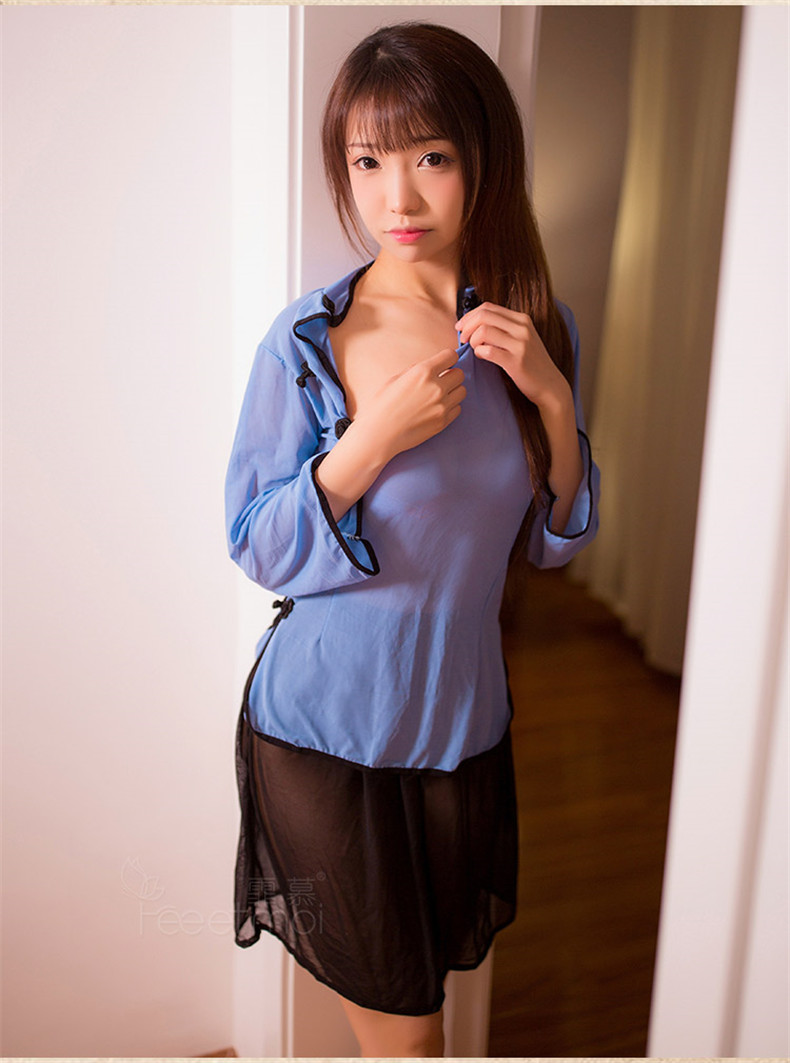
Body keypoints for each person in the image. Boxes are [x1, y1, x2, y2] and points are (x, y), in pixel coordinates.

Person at [225, 21, 600, 1058]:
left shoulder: (538, 331)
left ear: (484, 159)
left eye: (430, 157)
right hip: (322, 732)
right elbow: (256, 543)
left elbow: (554, 545)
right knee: (410, 1037)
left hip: (463, 731)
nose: (397, 197)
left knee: (419, 1001)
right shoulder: (311, 341)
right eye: (368, 162)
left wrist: (554, 402)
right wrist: (370, 441)